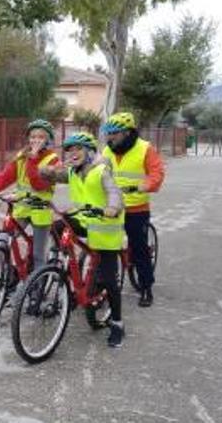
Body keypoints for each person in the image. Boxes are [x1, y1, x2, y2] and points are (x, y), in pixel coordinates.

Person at [39, 132, 126, 348]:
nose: (73, 153)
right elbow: (48, 175)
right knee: (58, 226)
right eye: (69, 150)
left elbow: (114, 193)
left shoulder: (101, 170)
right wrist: (49, 167)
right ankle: (60, 264)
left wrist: (112, 208)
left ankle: (117, 323)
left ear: (89, 151)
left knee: (108, 279)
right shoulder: (72, 171)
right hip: (85, 220)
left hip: (105, 226)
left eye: (77, 148)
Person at [0, 119, 59, 274]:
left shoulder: (52, 159)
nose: (35, 140)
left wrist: (34, 160)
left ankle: (37, 290)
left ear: (48, 140)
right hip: (21, 209)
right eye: (33, 137)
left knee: (38, 255)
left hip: (40, 212)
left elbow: (39, 185)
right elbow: (6, 176)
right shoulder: (22, 156)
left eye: (41, 137)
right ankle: (10, 276)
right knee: (3, 242)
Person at [101, 112, 165, 307]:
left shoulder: (145, 149)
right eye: (108, 133)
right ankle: (101, 285)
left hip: (136, 207)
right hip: (112, 206)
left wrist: (144, 185)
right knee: (103, 246)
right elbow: (97, 171)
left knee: (139, 250)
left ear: (127, 133)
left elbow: (157, 173)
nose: (110, 137)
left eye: (114, 133)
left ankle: (146, 287)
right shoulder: (107, 151)